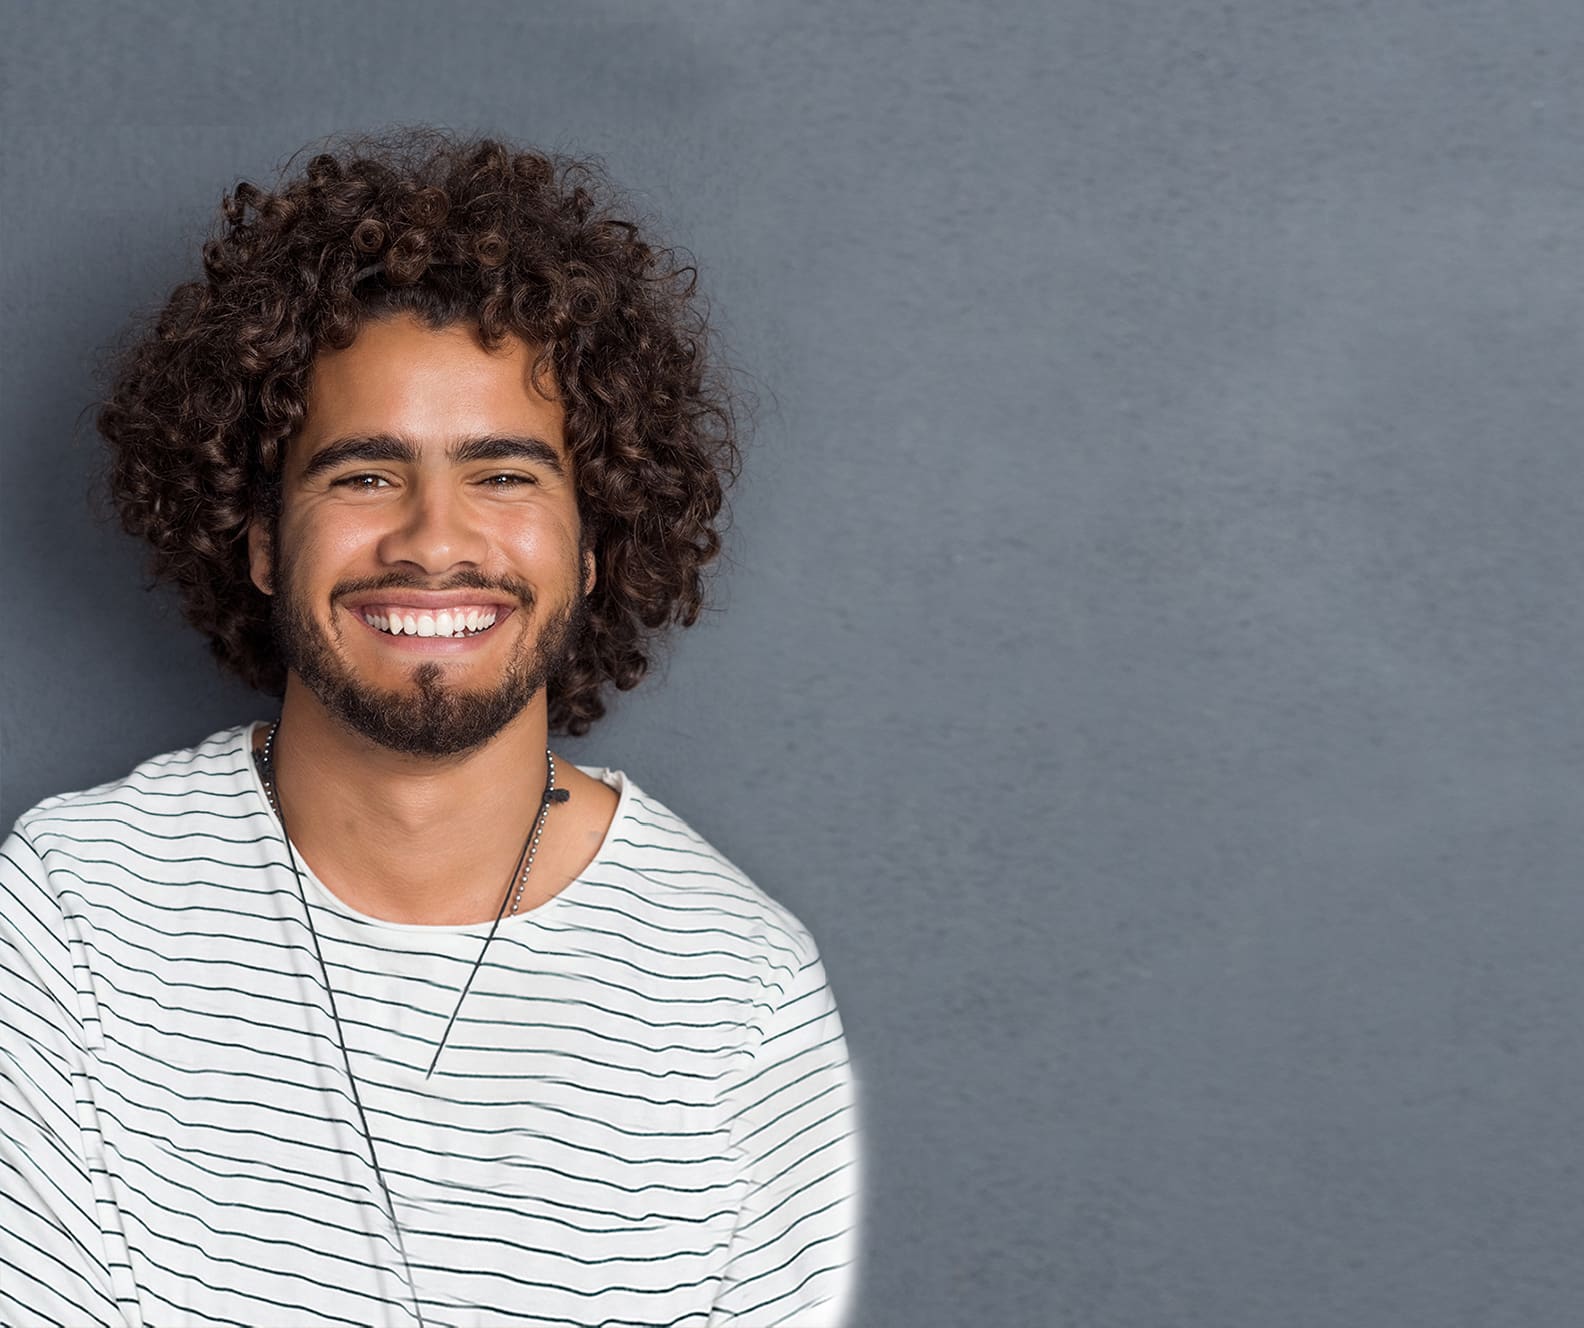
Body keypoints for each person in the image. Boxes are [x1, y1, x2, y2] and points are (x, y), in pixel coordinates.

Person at [0, 131, 860, 1328]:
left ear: (595, 540)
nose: (432, 539)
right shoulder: (67, 915)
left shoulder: (738, 992)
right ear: (257, 538)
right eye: (362, 474)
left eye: (504, 474)